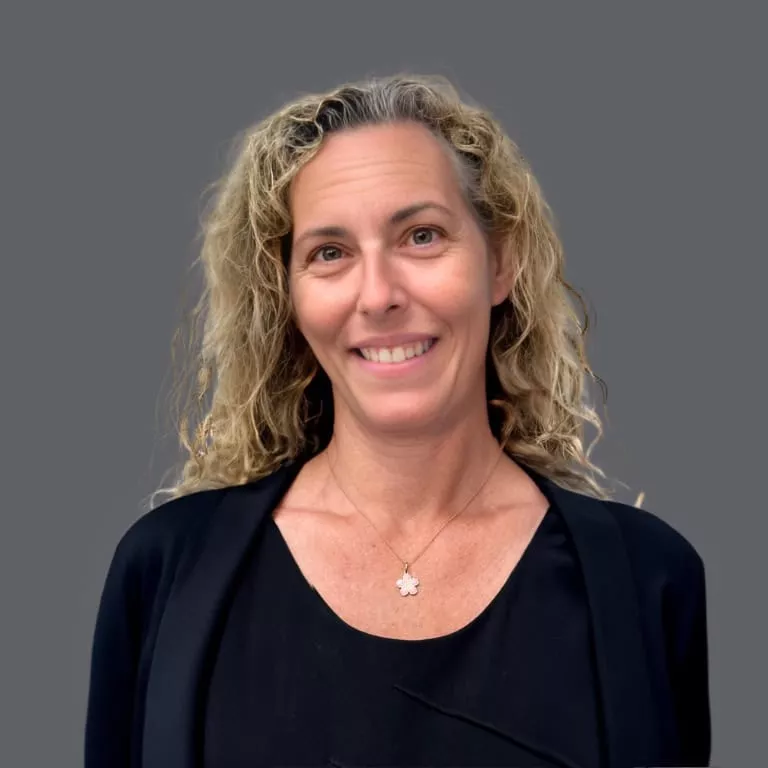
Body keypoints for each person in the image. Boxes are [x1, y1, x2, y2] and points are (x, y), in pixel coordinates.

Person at [84, 74, 711, 768]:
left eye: (420, 235)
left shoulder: (650, 584)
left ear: (499, 263)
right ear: (287, 294)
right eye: (330, 252)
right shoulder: (165, 573)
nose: (378, 295)